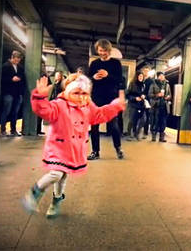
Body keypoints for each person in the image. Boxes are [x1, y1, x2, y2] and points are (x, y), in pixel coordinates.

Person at [21, 74, 125, 218]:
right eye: (76, 93)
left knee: (63, 176)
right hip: (58, 147)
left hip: (74, 149)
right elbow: (44, 110)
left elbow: (99, 115)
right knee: (56, 173)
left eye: (84, 93)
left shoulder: (88, 106)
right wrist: (39, 97)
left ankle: (56, 201)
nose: (80, 97)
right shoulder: (59, 104)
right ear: (67, 91)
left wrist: (115, 106)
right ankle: (34, 193)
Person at [87, 39, 126, 160]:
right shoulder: (94, 64)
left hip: (111, 98)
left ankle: (118, 148)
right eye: (100, 50)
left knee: (113, 125)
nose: (102, 52)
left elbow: (120, 80)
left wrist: (107, 75)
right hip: (96, 97)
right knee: (94, 125)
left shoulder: (115, 64)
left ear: (109, 51)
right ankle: (95, 151)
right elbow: (88, 79)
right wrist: (93, 77)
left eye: (104, 50)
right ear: (97, 50)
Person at [0, 50, 26, 137]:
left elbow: (23, 79)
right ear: (12, 57)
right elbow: (1, 79)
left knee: (15, 112)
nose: (17, 62)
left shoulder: (20, 68)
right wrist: (11, 79)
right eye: (16, 59)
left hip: (17, 93)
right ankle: (3, 129)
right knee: (6, 111)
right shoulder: (5, 66)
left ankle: (13, 130)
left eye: (19, 60)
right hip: (8, 92)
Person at [148, 71, 172, 142]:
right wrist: (157, 95)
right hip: (156, 106)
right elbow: (149, 94)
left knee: (163, 122)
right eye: (160, 76)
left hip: (164, 106)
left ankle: (161, 137)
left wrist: (168, 97)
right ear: (157, 77)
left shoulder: (167, 85)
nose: (162, 77)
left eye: (163, 76)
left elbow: (170, 95)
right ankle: (154, 136)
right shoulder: (153, 84)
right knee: (155, 121)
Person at [126, 71, 146, 140]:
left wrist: (144, 96)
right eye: (140, 76)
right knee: (132, 120)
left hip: (141, 105)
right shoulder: (132, 84)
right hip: (133, 105)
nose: (141, 78)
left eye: (142, 76)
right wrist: (135, 98)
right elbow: (127, 95)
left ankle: (136, 133)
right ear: (137, 77)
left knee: (143, 120)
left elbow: (144, 93)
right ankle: (130, 135)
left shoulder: (143, 85)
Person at [142, 66, 155, 139]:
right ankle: (136, 130)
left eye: (147, 71)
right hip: (140, 99)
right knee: (139, 116)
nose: (146, 72)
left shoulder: (151, 81)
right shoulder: (140, 78)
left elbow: (152, 91)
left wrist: (146, 96)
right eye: (145, 71)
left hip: (148, 101)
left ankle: (145, 131)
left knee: (147, 116)